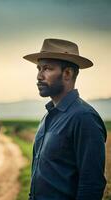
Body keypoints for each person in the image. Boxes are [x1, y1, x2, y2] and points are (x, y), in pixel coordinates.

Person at [23, 38, 107, 200]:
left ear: (67, 73)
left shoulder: (84, 118)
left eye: (47, 69)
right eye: (38, 68)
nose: (39, 76)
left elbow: (91, 185)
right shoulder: (48, 116)